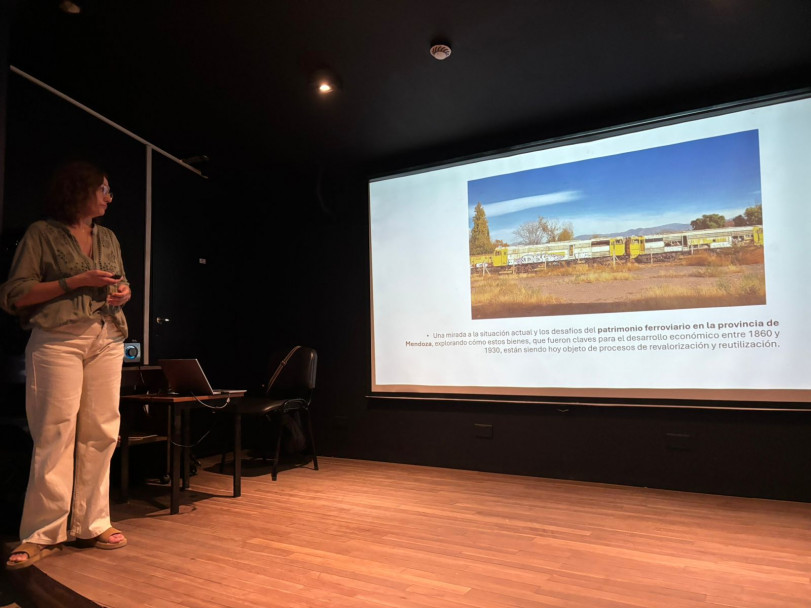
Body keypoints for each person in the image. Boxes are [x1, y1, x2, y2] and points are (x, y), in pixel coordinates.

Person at [0, 161, 131, 570]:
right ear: (81, 190)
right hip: (58, 339)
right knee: (54, 433)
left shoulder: (107, 235)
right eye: (104, 190)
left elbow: (119, 280)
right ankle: (41, 532)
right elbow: (14, 295)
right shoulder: (42, 233)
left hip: (106, 337)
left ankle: (93, 522)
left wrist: (121, 292)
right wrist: (74, 282)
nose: (109, 197)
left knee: (102, 431)